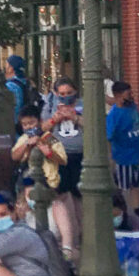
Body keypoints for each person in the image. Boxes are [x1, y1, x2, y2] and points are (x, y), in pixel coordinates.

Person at [41, 76, 84, 263]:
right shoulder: (50, 106)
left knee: (79, 198)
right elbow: (42, 127)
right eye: (62, 94)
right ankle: (69, 241)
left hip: (80, 155)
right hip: (60, 156)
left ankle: (81, 239)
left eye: (69, 93)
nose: (66, 97)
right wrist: (54, 120)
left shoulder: (84, 104)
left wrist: (75, 117)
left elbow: (96, 126)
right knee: (61, 196)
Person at [107, 80, 139, 218]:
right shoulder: (114, 115)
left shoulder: (132, 107)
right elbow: (109, 136)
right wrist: (112, 157)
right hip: (123, 157)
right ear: (118, 96)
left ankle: (138, 211)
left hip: (138, 154)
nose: (131, 96)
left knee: (137, 185)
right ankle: (124, 213)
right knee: (124, 187)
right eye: (128, 94)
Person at [11, 104, 66, 192]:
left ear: (40, 121)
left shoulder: (50, 138)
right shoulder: (24, 138)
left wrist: (50, 153)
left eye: (31, 123)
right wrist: (26, 144)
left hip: (49, 182)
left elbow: (63, 161)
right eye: (25, 124)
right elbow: (14, 157)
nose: (29, 127)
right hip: (29, 181)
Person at [4, 54, 27, 125]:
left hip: (15, 124)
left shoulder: (10, 86)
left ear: (11, 68)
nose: (5, 67)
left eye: (6, 65)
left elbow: (14, 108)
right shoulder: (26, 82)